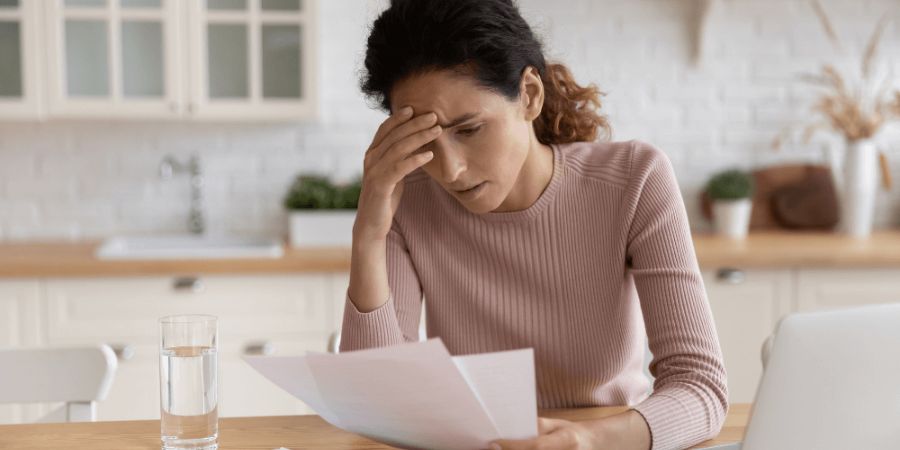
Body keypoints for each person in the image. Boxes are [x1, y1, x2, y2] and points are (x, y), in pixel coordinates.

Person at [339, 0, 728, 449]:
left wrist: (586, 441)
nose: (450, 171)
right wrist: (369, 231)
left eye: (469, 130)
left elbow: (701, 388)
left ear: (529, 95)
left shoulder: (634, 179)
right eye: (425, 140)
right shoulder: (406, 200)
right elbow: (380, 407)